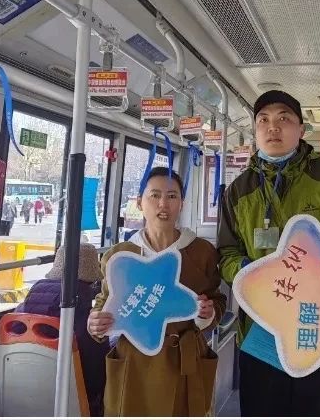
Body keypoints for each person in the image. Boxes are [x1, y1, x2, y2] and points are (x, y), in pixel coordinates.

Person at [217, 90, 320, 416]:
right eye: (263, 120)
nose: (273, 127)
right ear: (255, 130)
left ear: (301, 129)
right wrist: (249, 272)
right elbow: (225, 253)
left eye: (284, 118)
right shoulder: (239, 190)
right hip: (262, 332)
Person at [87, 167, 226, 416]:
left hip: (183, 360)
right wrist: (95, 323)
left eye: (172, 196)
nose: (163, 204)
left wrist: (208, 313)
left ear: (181, 204)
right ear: (140, 202)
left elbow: (217, 299)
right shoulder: (120, 255)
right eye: (155, 195)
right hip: (134, 362)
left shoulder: (201, 252)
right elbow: (105, 301)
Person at [13, 243, 109, 416]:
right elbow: (96, 375)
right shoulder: (86, 320)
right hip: (73, 400)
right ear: (91, 281)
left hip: (21, 392)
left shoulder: (24, 308)